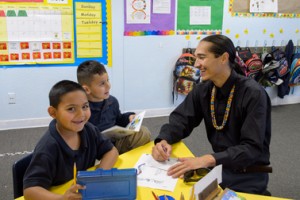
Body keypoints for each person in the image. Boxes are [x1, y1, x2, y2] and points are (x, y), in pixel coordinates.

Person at [152, 35, 271, 195]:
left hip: (248, 173)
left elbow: (251, 149)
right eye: (196, 58)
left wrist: (206, 159)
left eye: (202, 57)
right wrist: (163, 140)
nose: (196, 64)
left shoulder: (253, 94)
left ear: (223, 58)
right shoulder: (203, 90)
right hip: (219, 167)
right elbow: (181, 120)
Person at [23, 80, 118, 200]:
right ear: (53, 112)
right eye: (71, 109)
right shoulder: (48, 147)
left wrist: (97, 176)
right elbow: (30, 191)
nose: (81, 114)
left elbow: (111, 151)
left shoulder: (89, 129)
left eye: (85, 106)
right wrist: (62, 198)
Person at [77, 60, 151, 154]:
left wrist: (129, 117)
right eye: (102, 84)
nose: (108, 86)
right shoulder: (81, 109)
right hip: (93, 149)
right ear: (87, 89)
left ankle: (119, 157)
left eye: (108, 80)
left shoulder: (112, 101)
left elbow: (118, 119)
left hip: (113, 144)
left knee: (143, 132)